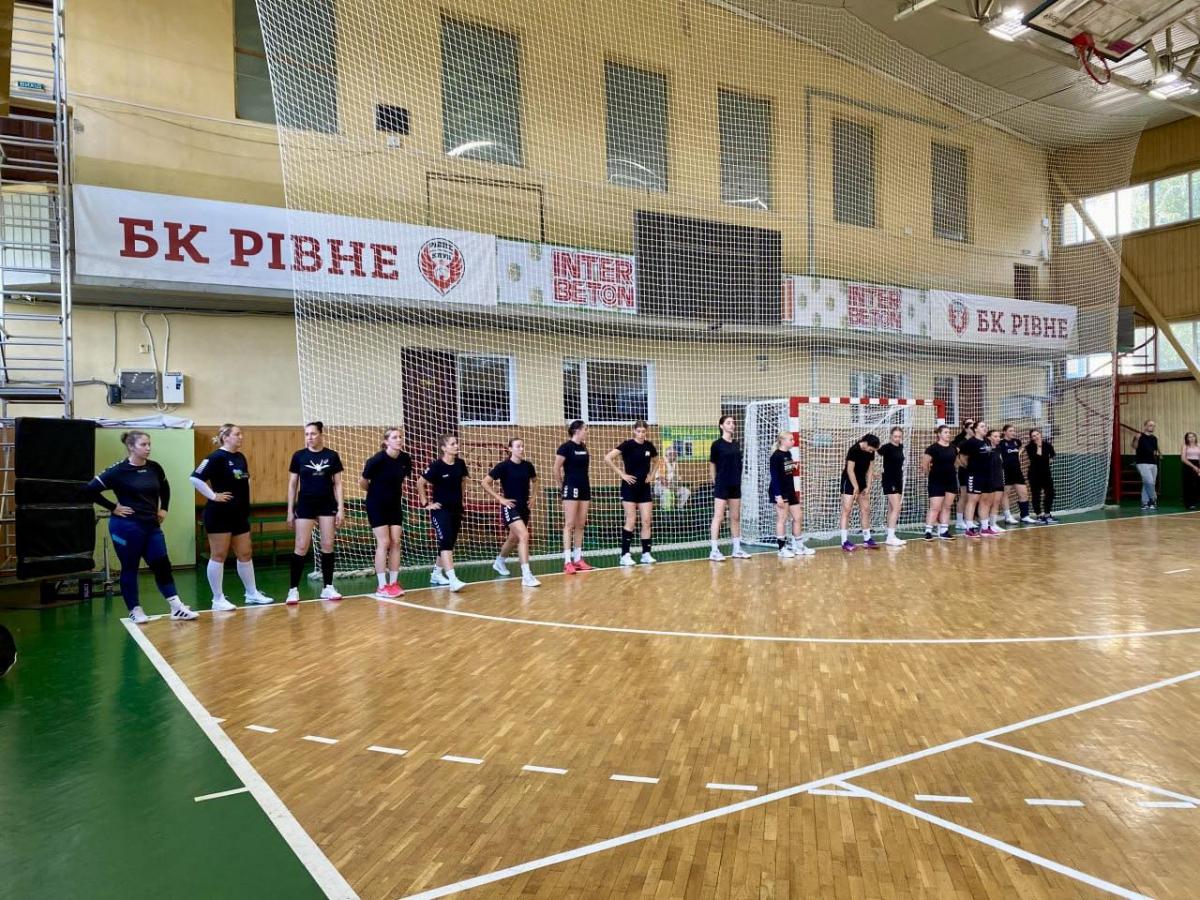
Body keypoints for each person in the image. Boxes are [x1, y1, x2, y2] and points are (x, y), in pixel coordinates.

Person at [85, 430, 198, 623]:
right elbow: (89, 490)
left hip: (151, 526)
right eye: (143, 445)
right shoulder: (118, 470)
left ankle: (176, 607)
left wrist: (164, 509)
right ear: (131, 447)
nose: (148, 448)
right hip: (126, 527)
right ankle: (135, 610)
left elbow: (165, 488)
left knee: (162, 565)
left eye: (149, 444)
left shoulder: (154, 467)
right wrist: (113, 507)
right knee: (130, 567)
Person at [190, 423, 273, 611]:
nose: (241, 437)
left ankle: (251, 593)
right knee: (219, 555)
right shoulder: (216, 457)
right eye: (237, 434)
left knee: (245, 553)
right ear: (225, 437)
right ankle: (217, 598)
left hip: (239, 514)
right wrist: (213, 496)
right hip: (219, 514)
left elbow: (245, 480)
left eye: (241, 433)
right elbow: (195, 478)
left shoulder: (240, 457)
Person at [285, 421, 344, 605]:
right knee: (301, 546)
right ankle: (293, 590)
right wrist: (290, 510)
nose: (309, 437)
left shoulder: (332, 456)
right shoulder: (299, 456)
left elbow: (338, 484)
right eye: (307, 434)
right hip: (306, 504)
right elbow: (292, 484)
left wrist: (341, 508)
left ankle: (328, 587)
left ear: (320, 434)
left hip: (327, 504)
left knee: (327, 544)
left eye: (313, 434)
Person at [360, 427, 412, 599]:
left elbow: (402, 480)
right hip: (376, 505)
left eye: (400, 437)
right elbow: (363, 482)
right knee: (384, 542)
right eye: (394, 437)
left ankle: (393, 583)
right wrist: (376, 493)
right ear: (386, 441)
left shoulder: (405, 459)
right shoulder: (376, 460)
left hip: (394, 505)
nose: (399, 440)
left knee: (396, 541)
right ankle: (382, 586)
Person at [482, 437, 541, 587]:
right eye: (518, 446)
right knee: (524, 535)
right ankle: (526, 575)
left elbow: (535, 481)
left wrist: (533, 497)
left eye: (522, 446)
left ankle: (499, 561)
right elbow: (485, 482)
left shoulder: (528, 466)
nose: (521, 449)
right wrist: (500, 499)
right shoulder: (503, 466)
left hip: (524, 507)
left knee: (513, 539)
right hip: (510, 506)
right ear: (510, 449)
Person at [418, 433, 470, 592]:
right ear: (443, 448)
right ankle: (453, 580)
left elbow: (463, 481)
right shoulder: (436, 466)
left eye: (456, 443)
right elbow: (420, 483)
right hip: (440, 511)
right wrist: (426, 503)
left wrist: (462, 499)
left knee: (449, 543)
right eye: (452, 444)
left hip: (456, 509)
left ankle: (436, 574)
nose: (456, 446)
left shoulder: (460, 463)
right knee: (446, 540)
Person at [606, 420, 660, 566]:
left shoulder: (649, 446)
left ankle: (646, 554)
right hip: (629, 488)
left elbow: (657, 461)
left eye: (644, 431)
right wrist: (622, 475)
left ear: (647, 432)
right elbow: (608, 458)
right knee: (631, 520)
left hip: (644, 488)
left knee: (646, 521)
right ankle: (625, 555)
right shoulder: (627, 445)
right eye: (639, 431)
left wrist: (652, 475)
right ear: (634, 431)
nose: (641, 434)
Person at [555, 420, 594, 574]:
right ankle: (567, 561)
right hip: (571, 487)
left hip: (584, 487)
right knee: (569, 524)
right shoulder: (565, 447)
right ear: (577, 430)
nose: (587, 431)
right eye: (585, 429)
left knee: (580, 524)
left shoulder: (583, 447)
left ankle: (578, 559)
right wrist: (562, 486)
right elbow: (556, 468)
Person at [709, 415, 750, 561]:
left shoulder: (736, 444)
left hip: (735, 484)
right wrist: (714, 479)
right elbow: (712, 463)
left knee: (735, 517)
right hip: (722, 484)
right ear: (721, 426)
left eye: (733, 423)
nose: (732, 425)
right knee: (719, 516)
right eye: (728, 423)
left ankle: (737, 549)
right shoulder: (716, 444)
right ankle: (714, 550)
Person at [769, 432, 814, 557]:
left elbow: (786, 472)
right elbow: (774, 477)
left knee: (798, 517)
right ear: (782, 441)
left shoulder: (788, 454)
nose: (793, 441)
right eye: (790, 439)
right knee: (782, 519)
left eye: (793, 439)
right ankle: (781, 549)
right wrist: (778, 496)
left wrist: (793, 466)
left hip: (790, 491)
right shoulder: (776, 456)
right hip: (780, 492)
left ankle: (799, 547)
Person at [839, 433, 880, 551]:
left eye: (873, 450)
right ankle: (844, 541)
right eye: (871, 449)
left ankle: (867, 539)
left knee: (866, 509)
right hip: (849, 481)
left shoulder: (871, 452)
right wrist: (855, 487)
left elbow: (870, 470)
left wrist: (868, 486)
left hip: (861, 482)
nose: (871, 452)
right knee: (847, 510)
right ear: (866, 443)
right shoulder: (854, 450)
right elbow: (850, 470)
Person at [922, 424, 958, 541]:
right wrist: (932, 475)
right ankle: (928, 531)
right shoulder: (932, 448)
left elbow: (956, 463)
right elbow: (924, 465)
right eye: (945, 432)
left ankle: (944, 531)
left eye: (949, 432)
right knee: (935, 507)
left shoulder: (953, 448)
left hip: (951, 480)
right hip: (936, 481)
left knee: (947, 506)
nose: (948, 434)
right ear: (939, 434)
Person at [959, 421, 992, 538]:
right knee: (972, 500)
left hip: (986, 475)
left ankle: (985, 528)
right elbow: (962, 457)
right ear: (976, 429)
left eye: (985, 426)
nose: (985, 428)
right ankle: (969, 529)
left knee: (985, 501)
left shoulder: (987, 441)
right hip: (974, 475)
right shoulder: (970, 442)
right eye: (982, 426)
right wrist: (970, 468)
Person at [998, 424, 1036, 525]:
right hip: (1006, 471)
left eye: (1013, 431)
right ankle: (1008, 516)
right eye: (1010, 431)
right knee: (1005, 494)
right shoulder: (1001, 443)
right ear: (1004, 432)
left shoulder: (1016, 442)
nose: (1013, 432)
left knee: (1023, 493)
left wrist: (1019, 453)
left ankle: (1025, 516)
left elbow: (1022, 448)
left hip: (1017, 471)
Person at [878, 426, 906, 547]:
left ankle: (890, 535)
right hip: (889, 480)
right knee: (897, 507)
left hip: (898, 479)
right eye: (895, 436)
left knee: (892, 508)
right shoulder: (886, 447)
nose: (897, 438)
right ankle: (890, 537)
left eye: (899, 436)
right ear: (891, 436)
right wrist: (874, 472)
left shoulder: (901, 446)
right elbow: (874, 452)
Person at [1025, 428, 1057, 524]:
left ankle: (1047, 514)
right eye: (1033, 436)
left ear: (1040, 434)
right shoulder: (1029, 447)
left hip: (1046, 473)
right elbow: (1037, 458)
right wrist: (1039, 446)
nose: (1036, 437)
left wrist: (1049, 461)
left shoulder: (1047, 445)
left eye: (1037, 434)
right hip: (1034, 474)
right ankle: (1039, 515)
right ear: (1031, 438)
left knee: (1050, 493)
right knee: (1036, 494)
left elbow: (1053, 455)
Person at [952, 419, 975, 532]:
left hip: (975, 471)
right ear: (966, 429)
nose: (973, 429)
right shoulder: (960, 442)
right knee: (964, 496)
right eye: (971, 427)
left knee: (972, 497)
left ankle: (968, 519)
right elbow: (956, 457)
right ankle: (959, 521)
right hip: (965, 471)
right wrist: (963, 465)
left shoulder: (976, 440)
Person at [654, 446, 691, 510]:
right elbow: (661, 479)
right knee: (667, 491)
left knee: (686, 491)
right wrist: (671, 486)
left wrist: (678, 482)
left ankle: (679, 507)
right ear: (667, 455)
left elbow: (678, 478)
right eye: (672, 454)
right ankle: (664, 509)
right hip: (660, 486)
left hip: (672, 486)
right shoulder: (662, 462)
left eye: (675, 454)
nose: (674, 456)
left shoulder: (675, 463)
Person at [1134, 420, 1160, 510]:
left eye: (1153, 426)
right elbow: (1134, 446)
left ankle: (1145, 502)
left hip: (1153, 463)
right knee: (1149, 481)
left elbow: (1154, 450)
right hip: (1142, 462)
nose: (1152, 427)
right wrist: (1137, 439)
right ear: (1145, 426)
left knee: (1147, 482)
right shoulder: (1139, 436)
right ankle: (1153, 499)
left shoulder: (1154, 438)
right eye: (1150, 425)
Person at [985, 428, 1007, 534]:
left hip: (998, 479)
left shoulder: (999, 449)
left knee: (996, 502)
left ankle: (993, 524)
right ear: (989, 437)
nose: (998, 438)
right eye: (995, 436)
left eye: (999, 436)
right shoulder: (986, 449)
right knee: (987, 503)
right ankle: (985, 525)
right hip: (988, 479)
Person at [1182, 432, 1200, 511]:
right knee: (1188, 485)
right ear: (1187, 438)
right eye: (1189, 437)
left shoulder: (1198, 445)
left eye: (1193, 436)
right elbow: (1183, 458)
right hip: (1188, 466)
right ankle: (1189, 504)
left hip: (1197, 465)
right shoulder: (1185, 446)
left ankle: (1195, 502)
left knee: (1197, 484)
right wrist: (1193, 467)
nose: (1192, 438)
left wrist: (1198, 468)